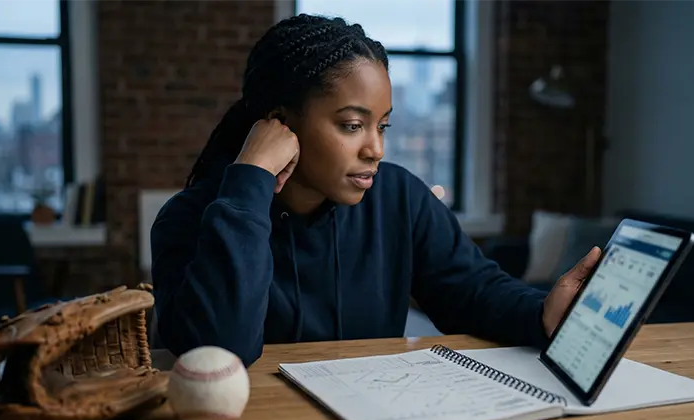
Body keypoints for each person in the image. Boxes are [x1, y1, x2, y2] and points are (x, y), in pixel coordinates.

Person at [149, 13, 601, 366]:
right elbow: (218, 353)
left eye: (382, 126)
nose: (376, 149)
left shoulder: (399, 198)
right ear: (280, 123)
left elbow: (473, 290)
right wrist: (251, 178)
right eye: (352, 125)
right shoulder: (190, 217)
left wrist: (541, 311)